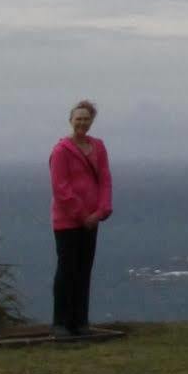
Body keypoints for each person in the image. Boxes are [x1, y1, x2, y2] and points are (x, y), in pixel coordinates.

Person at [49, 99, 114, 338]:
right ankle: (61, 323)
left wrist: (101, 211)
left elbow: (105, 179)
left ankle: (80, 321)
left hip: (91, 220)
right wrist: (81, 214)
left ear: (91, 121)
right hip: (67, 222)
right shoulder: (61, 151)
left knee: (84, 270)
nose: (82, 123)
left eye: (86, 119)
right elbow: (61, 188)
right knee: (67, 270)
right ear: (70, 120)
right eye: (78, 119)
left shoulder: (98, 147)